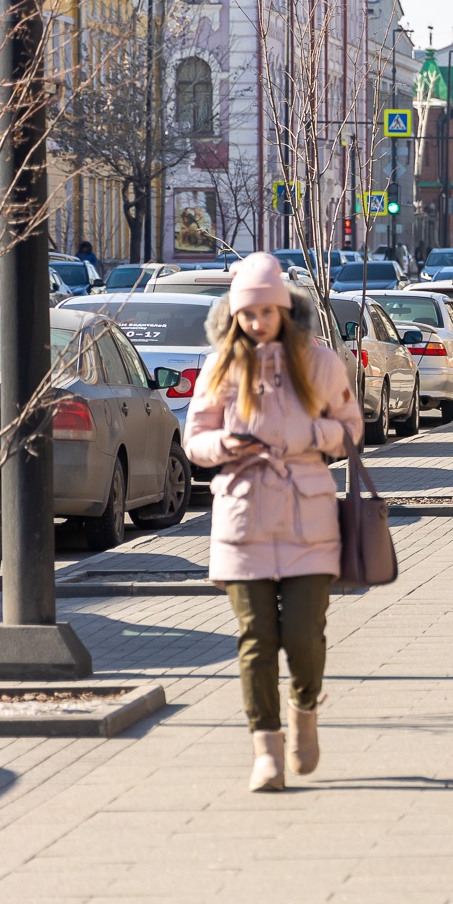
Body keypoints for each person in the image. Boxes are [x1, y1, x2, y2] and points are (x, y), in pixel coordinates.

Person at [184, 253, 364, 792]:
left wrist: (309, 437)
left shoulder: (321, 364)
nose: (257, 322)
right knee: (256, 640)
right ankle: (266, 749)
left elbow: (351, 429)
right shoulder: (222, 367)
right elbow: (194, 439)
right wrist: (225, 444)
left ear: (285, 309)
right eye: (247, 314)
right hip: (242, 519)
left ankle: (304, 711)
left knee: (305, 636)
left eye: (266, 311)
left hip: (308, 518)